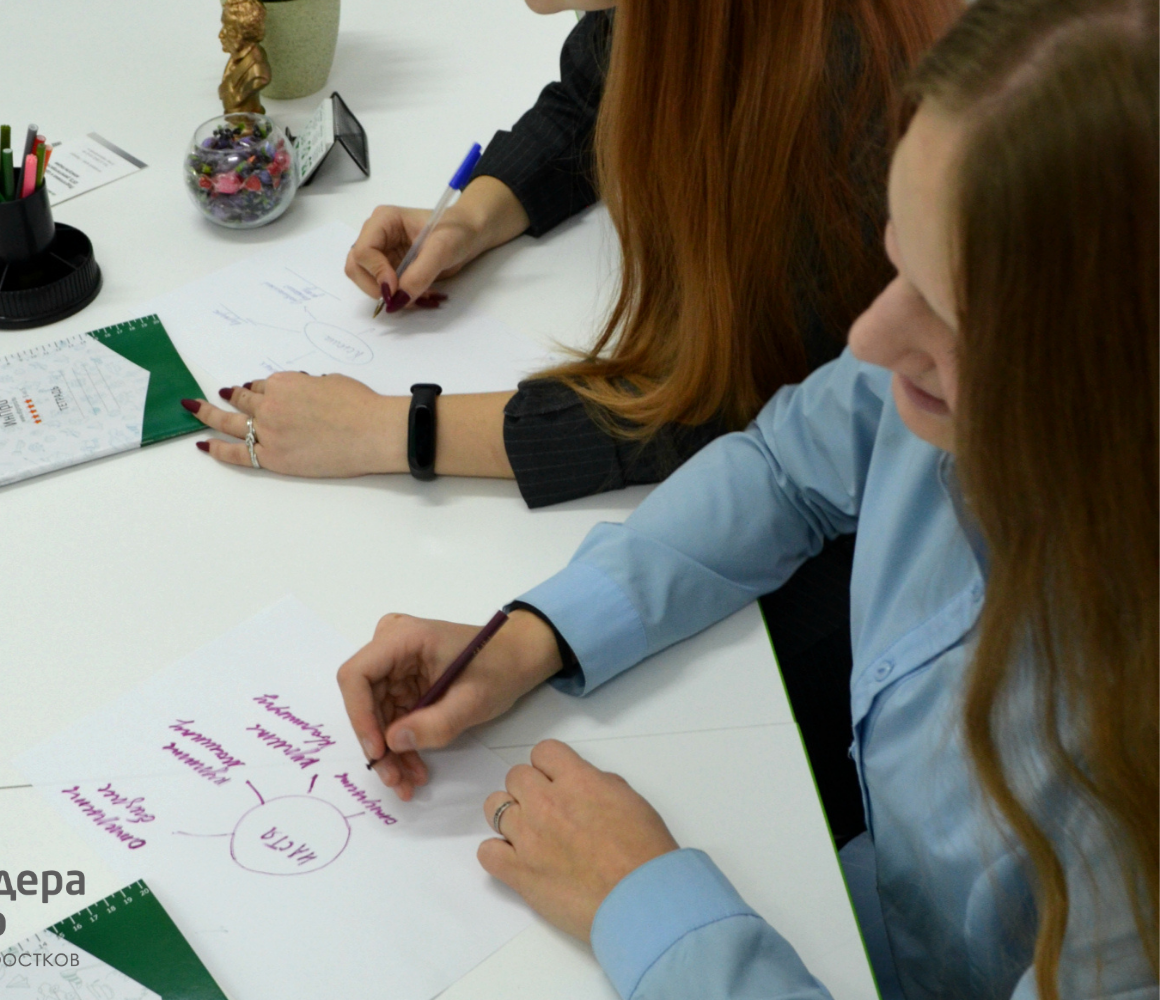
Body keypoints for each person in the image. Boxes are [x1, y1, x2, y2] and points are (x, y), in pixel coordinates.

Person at [332, 0, 1159, 996]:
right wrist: (537, 636)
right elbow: (784, 463)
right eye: (898, 261)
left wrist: (651, 909)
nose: (868, 339)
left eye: (954, 314)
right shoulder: (959, 387)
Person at [182, 0, 958, 848]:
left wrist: (400, 430)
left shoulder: (843, 94)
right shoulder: (697, 24)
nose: (871, 340)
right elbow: (602, 89)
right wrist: (479, 212)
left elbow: (727, 404)